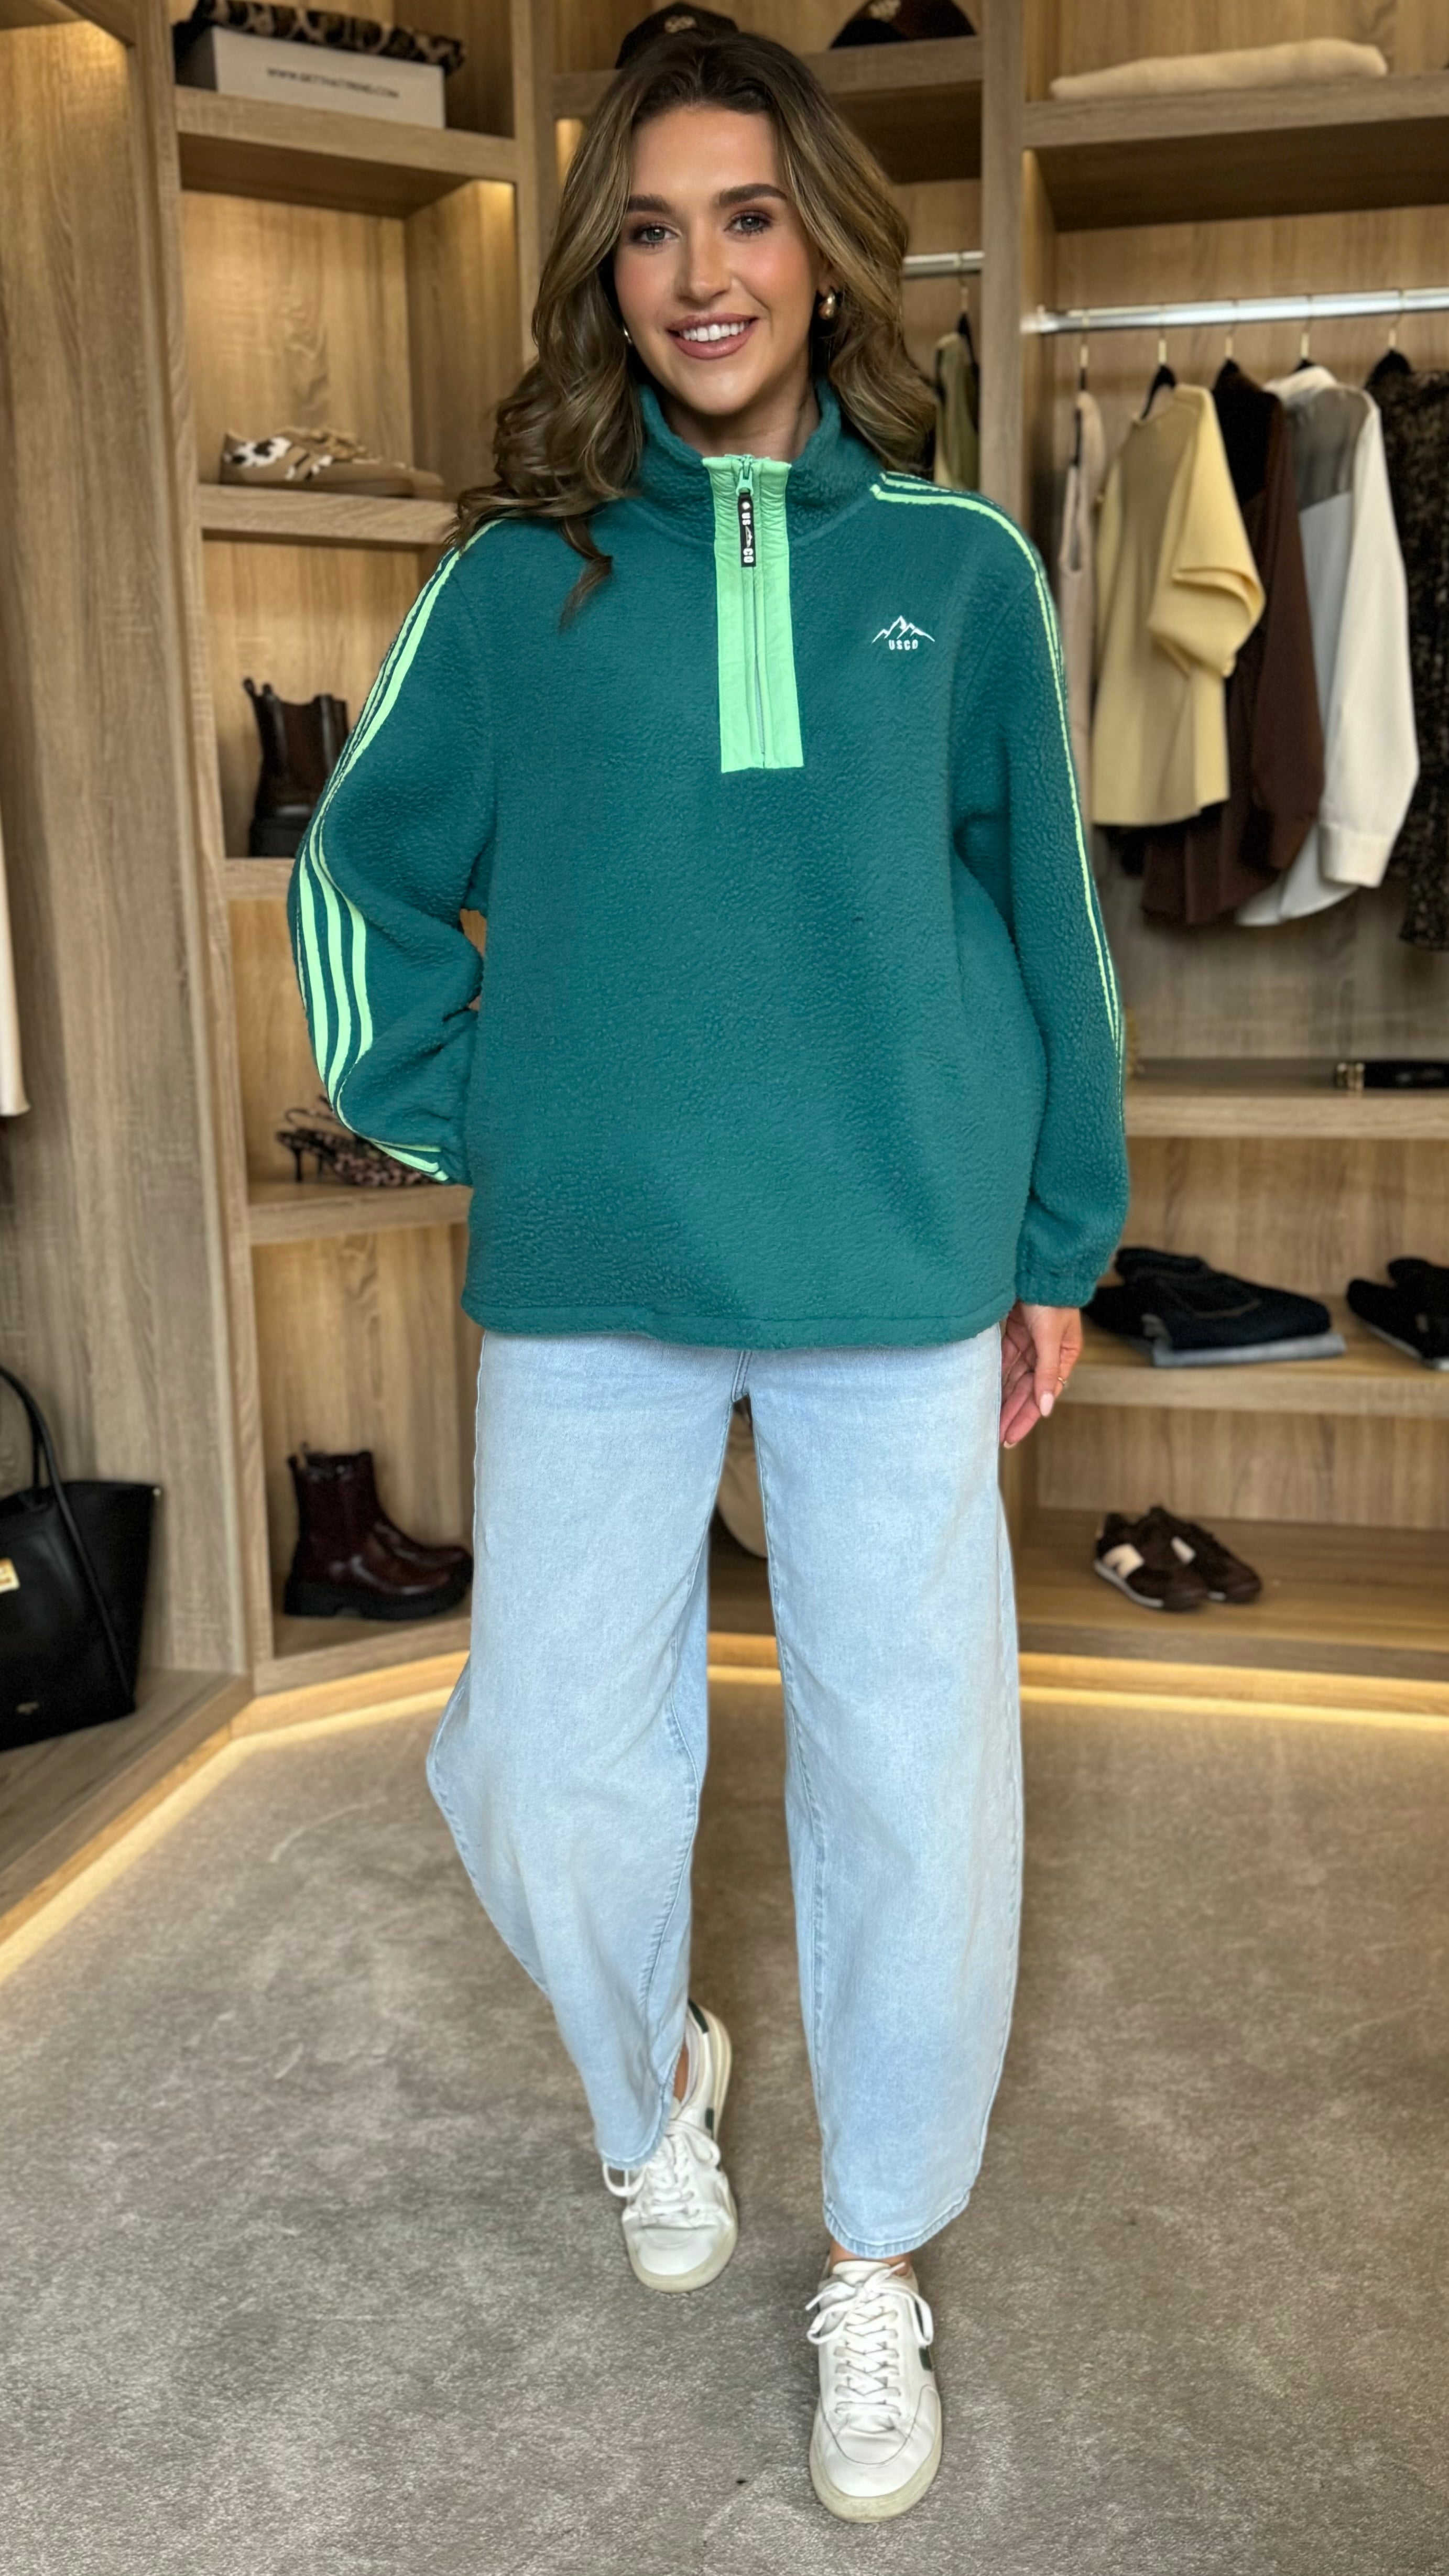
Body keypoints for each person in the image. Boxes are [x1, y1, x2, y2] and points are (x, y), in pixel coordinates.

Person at [288, 24, 1127, 2525]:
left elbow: (1047, 925)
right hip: (596, 1265)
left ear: (823, 249)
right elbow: (355, 874)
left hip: (898, 1254)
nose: (700, 273)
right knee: (548, 1764)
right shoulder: (510, 584)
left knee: (910, 1777)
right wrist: (477, 1110)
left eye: (744, 215)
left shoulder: (956, 570)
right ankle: (653, 2070)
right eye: (648, 229)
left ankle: (874, 2246)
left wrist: (1054, 1236)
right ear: (604, 273)